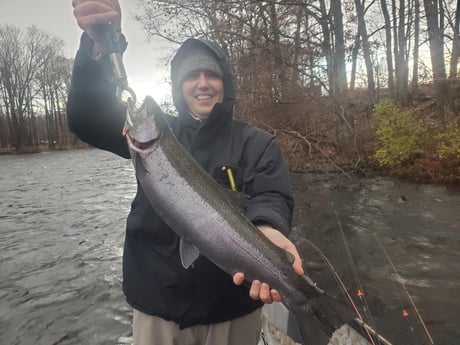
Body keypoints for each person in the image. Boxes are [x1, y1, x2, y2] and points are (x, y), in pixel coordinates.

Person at [68, 1, 304, 344]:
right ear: (180, 85)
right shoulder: (152, 142)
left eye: (212, 75)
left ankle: (308, 303)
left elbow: (272, 195)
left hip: (233, 308)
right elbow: (84, 119)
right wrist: (98, 47)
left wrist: (267, 227)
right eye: (192, 75)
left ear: (225, 83)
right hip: (157, 307)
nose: (203, 83)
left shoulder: (257, 143)